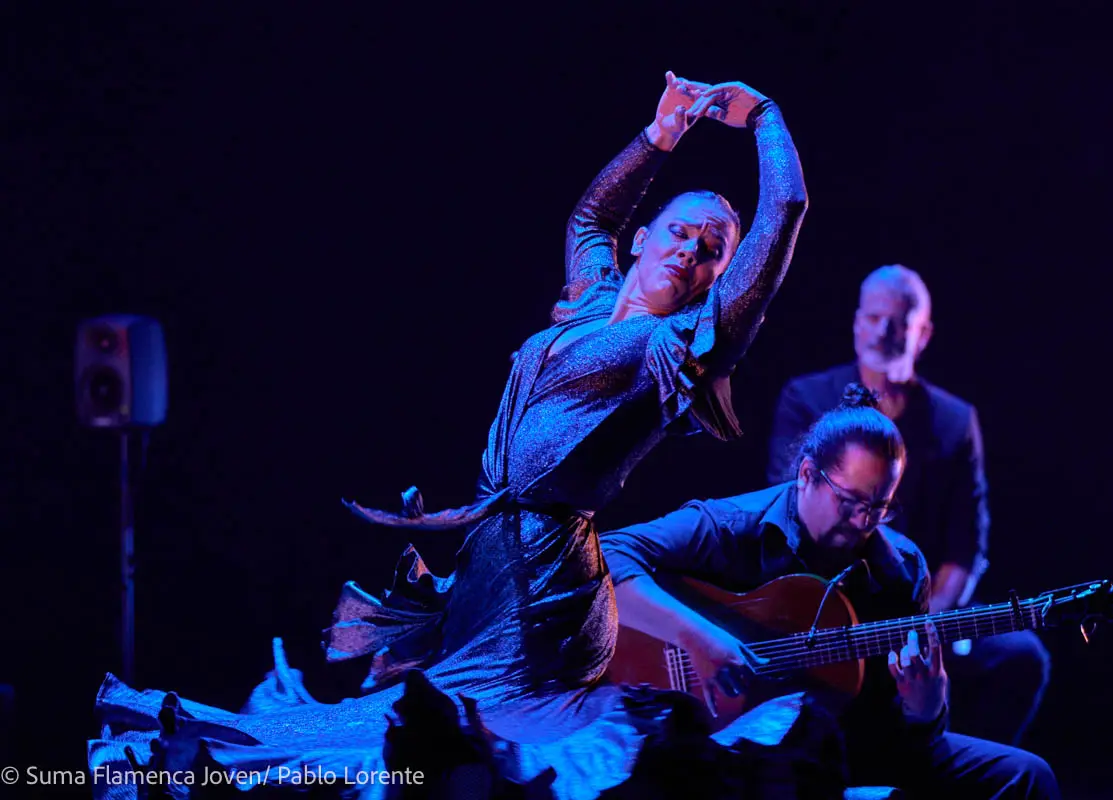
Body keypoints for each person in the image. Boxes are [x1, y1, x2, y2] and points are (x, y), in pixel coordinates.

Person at [89, 73, 811, 800]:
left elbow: (784, 209)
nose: (690, 249)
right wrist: (659, 138)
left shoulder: (676, 344)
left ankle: (198, 773)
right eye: (680, 230)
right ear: (645, 237)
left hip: (547, 594)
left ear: (716, 277)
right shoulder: (591, 301)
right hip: (489, 572)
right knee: (402, 729)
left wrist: (765, 120)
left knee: (429, 741)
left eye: (713, 248)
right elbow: (592, 220)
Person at [601, 384, 1060, 798]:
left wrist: (926, 708)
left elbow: (908, 738)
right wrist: (700, 638)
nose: (863, 522)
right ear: (806, 474)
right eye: (851, 502)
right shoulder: (731, 527)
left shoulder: (901, 568)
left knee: (1026, 775)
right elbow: (607, 554)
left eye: (879, 507)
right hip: (734, 752)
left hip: (853, 745)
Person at [765, 265, 1050, 746]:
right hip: (829, 606)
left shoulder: (955, 422)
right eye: (875, 317)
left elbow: (966, 549)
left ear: (924, 333)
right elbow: (786, 511)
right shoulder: (806, 399)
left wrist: (924, 622)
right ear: (857, 322)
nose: (884, 331)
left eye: (900, 321)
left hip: (925, 609)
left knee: (1020, 656)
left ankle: (951, 774)